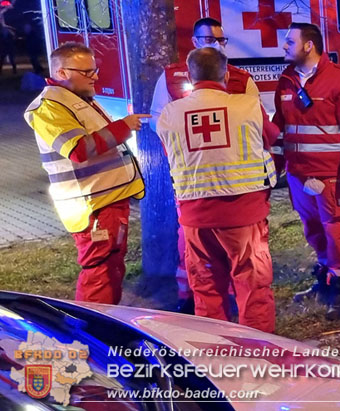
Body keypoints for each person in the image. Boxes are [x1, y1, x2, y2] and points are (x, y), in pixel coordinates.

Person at [156, 47, 277, 332]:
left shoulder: (170, 113)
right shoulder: (247, 105)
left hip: (195, 218)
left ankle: (216, 357)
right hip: (243, 213)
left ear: (188, 75)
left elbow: (170, 153)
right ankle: (260, 354)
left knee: (207, 289)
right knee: (253, 287)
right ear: (226, 73)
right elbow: (271, 138)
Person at [24, 42, 147, 304]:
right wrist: (123, 127)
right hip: (91, 206)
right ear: (62, 73)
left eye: (95, 70)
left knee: (111, 269)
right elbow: (78, 150)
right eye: (87, 72)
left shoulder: (77, 100)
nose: (96, 77)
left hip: (105, 202)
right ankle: (89, 336)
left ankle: (104, 328)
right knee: (99, 273)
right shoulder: (48, 107)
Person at [272, 22, 340, 321]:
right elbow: (281, 128)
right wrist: (274, 169)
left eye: (289, 41)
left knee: (336, 231)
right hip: (298, 176)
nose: (284, 46)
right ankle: (325, 278)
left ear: (308, 45)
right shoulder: (286, 80)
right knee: (313, 230)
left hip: (331, 177)